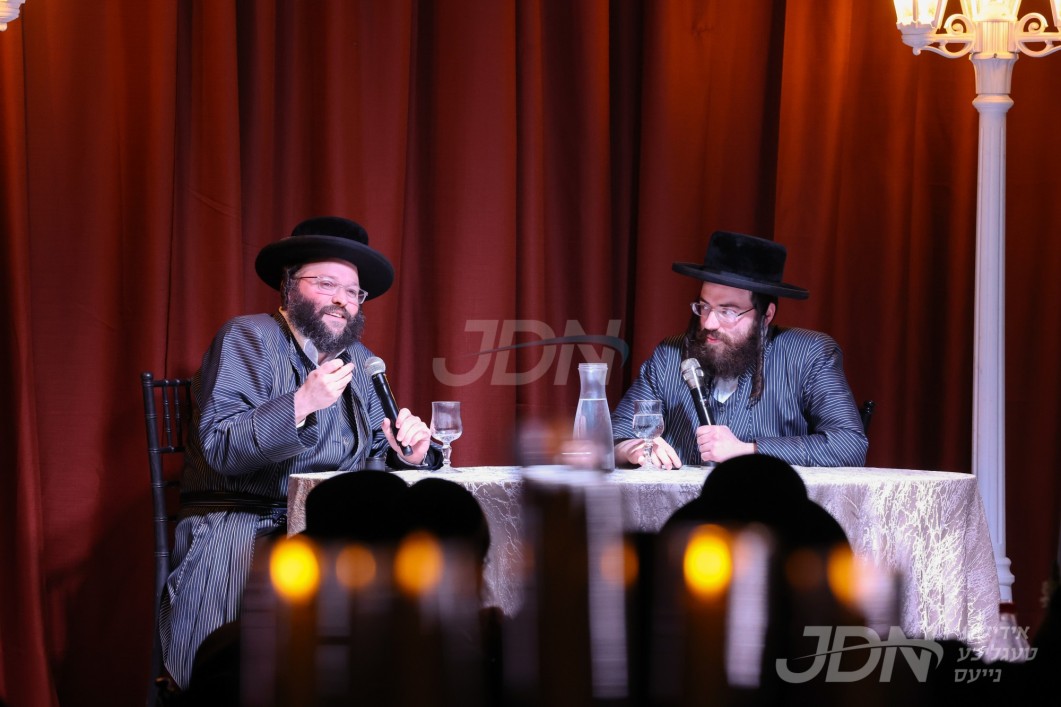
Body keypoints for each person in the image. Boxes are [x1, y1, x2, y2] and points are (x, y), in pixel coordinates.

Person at [158, 216, 441, 691]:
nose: (341, 300)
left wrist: (408, 454)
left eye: (352, 292)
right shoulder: (247, 338)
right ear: (288, 287)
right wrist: (300, 404)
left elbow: (377, 447)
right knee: (232, 674)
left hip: (329, 531)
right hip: (244, 523)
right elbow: (220, 447)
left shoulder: (358, 360)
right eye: (326, 284)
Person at [611, 230, 867, 468]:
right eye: (704, 307)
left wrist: (747, 450)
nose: (709, 323)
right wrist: (633, 448)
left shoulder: (808, 355)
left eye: (728, 311)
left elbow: (849, 445)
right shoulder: (670, 355)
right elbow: (612, 436)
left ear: (766, 316)